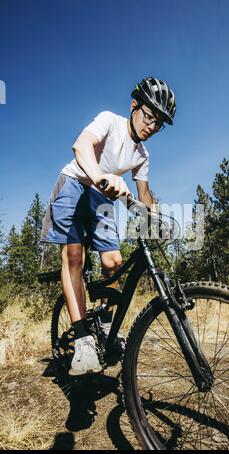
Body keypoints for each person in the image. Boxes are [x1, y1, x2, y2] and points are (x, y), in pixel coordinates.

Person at [41, 77, 176, 375]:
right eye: (149, 117)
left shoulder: (142, 155)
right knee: (74, 256)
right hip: (75, 184)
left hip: (102, 199)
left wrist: (154, 218)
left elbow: (143, 196)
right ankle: (83, 340)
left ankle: (103, 323)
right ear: (134, 106)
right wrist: (101, 177)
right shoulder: (109, 121)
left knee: (113, 263)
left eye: (158, 124)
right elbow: (81, 145)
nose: (151, 127)